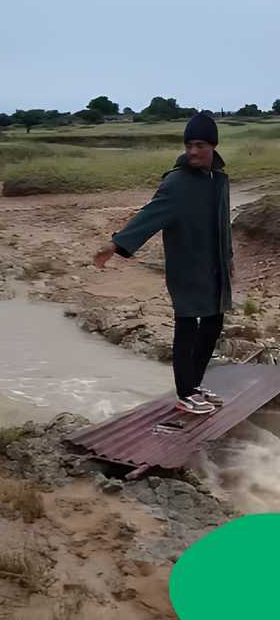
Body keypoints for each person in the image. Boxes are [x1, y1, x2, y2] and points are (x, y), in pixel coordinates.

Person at [93, 113, 233, 415]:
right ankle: (184, 393)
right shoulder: (176, 182)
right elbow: (149, 215)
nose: (192, 151)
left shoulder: (219, 180)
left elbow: (224, 224)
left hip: (215, 266)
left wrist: (229, 259)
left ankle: (195, 385)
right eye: (188, 145)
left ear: (213, 146)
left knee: (213, 323)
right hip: (186, 267)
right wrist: (115, 244)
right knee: (187, 326)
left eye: (199, 145)